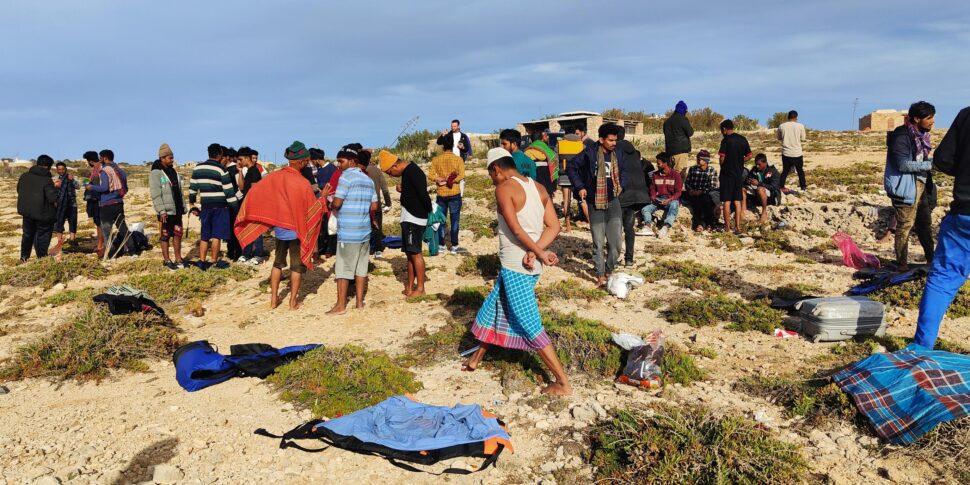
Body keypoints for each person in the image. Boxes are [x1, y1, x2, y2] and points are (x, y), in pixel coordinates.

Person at [462, 148, 572, 396]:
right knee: (497, 306)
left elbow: (517, 230)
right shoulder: (539, 187)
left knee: (529, 323)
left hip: (516, 265)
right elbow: (554, 226)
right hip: (530, 263)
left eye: (491, 175)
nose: (492, 180)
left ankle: (562, 382)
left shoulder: (503, 189)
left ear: (496, 169)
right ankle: (475, 359)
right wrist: (537, 251)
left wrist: (538, 252)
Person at [235, 141, 324, 310]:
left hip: (280, 230)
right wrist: (323, 198)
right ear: (302, 161)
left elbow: (255, 191)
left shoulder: (274, 177)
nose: (307, 163)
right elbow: (312, 210)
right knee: (297, 267)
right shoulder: (302, 183)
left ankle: (274, 299)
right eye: (306, 160)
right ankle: (292, 302)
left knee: (278, 264)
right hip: (297, 231)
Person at [913, 106, 970, 349]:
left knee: (943, 278)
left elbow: (943, 159)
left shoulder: (967, 115)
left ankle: (922, 348)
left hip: (964, 212)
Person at [568, 122, 626, 287]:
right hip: (595, 202)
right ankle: (600, 275)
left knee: (616, 244)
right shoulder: (590, 152)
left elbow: (625, 171)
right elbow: (572, 167)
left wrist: (623, 186)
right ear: (601, 140)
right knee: (598, 242)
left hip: (614, 202)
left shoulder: (618, 153)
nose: (614, 143)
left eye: (615, 140)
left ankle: (609, 269)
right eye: (611, 140)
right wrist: (580, 186)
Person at [326, 145, 379, 315]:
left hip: (348, 231)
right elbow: (375, 205)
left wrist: (330, 201)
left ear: (351, 161)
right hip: (364, 230)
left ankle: (340, 305)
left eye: (341, 161)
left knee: (342, 270)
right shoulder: (368, 180)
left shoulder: (345, 178)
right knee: (361, 269)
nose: (338, 164)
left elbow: (337, 203)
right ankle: (359, 303)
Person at [885, 101, 936, 272]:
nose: (933, 121)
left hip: (920, 185)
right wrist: (930, 165)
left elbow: (919, 160)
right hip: (906, 187)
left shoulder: (920, 136)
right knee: (904, 226)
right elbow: (903, 165)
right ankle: (902, 265)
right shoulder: (901, 136)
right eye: (929, 118)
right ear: (916, 119)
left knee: (924, 224)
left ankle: (931, 260)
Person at [380, 149, 433, 297]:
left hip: (414, 219)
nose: (391, 176)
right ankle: (409, 287)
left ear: (395, 166)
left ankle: (420, 288)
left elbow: (423, 195)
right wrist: (403, 190)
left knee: (415, 253)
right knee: (409, 254)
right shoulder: (408, 173)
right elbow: (414, 192)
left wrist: (428, 210)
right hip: (409, 218)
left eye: (390, 173)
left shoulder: (414, 172)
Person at [189, 143, 239, 268]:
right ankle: (213, 260)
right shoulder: (222, 170)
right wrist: (237, 209)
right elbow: (229, 193)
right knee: (217, 235)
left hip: (205, 206)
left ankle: (201, 260)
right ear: (220, 154)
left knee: (205, 235)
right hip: (220, 207)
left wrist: (192, 203)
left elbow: (193, 188)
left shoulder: (198, 168)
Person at [88, 149, 132, 258]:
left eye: (100, 157)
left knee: (107, 231)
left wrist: (91, 187)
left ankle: (109, 254)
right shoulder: (120, 171)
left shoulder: (105, 171)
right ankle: (133, 250)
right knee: (123, 228)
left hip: (107, 204)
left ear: (105, 158)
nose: (99, 160)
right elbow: (125, 187)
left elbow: (104, 187)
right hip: (119, 202)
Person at [149, 143, 186, 270]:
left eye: (172, 157)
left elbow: (179, 191)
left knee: (177, 234)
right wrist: (161, 210)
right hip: (165, 211)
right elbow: (155, 193)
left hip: (177, 210)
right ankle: (166, 259)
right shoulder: (156, 173)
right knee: (165, 235)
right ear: (162, 158)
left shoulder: (174, 172)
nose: (172, 160)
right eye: (170, 158)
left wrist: (183, 207)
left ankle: (178, 258)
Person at [17, 155, 60, 262]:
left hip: (27, 212)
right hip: (43, 213)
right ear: (48, 167)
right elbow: (53, 198)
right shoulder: (46, 180)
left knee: (27, 235)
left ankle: (24, 258)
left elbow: (19, 190)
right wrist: (56, 188)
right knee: (42, 237)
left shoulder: (24, 176)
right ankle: (41, 259)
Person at [616, 127, 649, 265]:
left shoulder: (615, 151)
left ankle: (614, 259)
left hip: (623, 192)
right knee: (629, 227)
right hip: (637, 194)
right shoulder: (634, 152)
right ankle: (629, 259)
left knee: (615, 227)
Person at [428, 136, 466, 254]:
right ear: (453, 145)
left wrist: (438, 179)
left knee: (441, 220)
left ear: (443, 146)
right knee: (455, 220)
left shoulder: (436, 160)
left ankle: (441, 245)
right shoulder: (458, 159)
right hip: (454, 192)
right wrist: (452, 181)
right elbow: (461, 175)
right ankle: (454, 246)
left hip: (441, 193)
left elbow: (430, 175)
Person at [718, 119, 753, 234]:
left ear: (724, 129)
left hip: (726, 174)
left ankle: (727, 228)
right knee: (737, 201)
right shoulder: (742, 139)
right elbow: (750, 155)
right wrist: (740, 161)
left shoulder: (725, 141)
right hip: (738, 174)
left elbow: (722, 158)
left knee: (727, 201)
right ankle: (737, 227)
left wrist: (722, 164)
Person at [638, 153, 683, 239]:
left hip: (671, 200)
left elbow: (678, 192)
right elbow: (653, 189)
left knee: (673, 206)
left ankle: (666, 227)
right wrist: (653, 196)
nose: (657, 165)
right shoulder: (655, 175)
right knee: (645, 209)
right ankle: (648, 226)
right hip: (659, 200)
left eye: (659, 163)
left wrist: (669, 199)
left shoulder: (676, 175)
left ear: (665, 163)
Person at [236, 146, 265, 265]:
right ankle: (246, 254)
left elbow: (255, 191)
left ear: (247, 158)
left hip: (253, 206)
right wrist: (239, 171)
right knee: (247, 230)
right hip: (247, 205)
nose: (239, 162)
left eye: (241, 159)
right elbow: (242, 187)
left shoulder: (254, 172)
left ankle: (258, 254)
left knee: (257, 231)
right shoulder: (248, 171)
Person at [362, 149, 392, 258]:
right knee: (377, 227)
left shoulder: (359, 171)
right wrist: (388, 203)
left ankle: (367, 249)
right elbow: (385, 189)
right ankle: (378, 250)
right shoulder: (377, 171)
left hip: (363, 205)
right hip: (376, 205)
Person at [683, 149, 720, 231]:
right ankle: (699, 223)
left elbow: (713, 185)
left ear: (705, 160)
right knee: (695, 202)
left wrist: (702, 191)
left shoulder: (712, 170)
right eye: (697, 158)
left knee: (706, 201)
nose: (697, 161)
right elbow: (687, 182)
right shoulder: (692, 169)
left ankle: (710, 223)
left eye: (699, 159)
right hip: (693, 192)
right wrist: (690, 190)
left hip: (705, 193)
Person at [744, 154, 782, 224]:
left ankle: (764, 212)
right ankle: (743, 210)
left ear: (765, 163)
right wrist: (749, 181)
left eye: (759, 164)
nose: (757, 166)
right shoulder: (754, 169)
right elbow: (748, 178)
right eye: (756, 164)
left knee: (760, 189)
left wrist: (759, 184)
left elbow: (774, 187)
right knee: (743, 189)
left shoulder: (773, 171)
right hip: (757, 193)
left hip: (771, 196)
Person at [81, 151, 105, 257]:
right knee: (98, 223)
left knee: (100, 223)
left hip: (99, 200)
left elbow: (101, 185)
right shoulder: (96, 169)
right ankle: (100, 244)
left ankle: (100, 245)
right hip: (95, 200)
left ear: (91, 161)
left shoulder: (100, 169)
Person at [52, 161, 79, 254]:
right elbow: (51, 191)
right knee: (59, 222)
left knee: (73, 221)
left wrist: (72, 180)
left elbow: (78, 186)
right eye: (59, 169)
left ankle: (72, 240)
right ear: (57, 170)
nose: (61, 171)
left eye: (63, 169)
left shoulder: (72, 177)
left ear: (65, 169)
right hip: (59, 204)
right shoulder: (54, 179)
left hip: (72, 203)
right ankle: (59, 241)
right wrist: (54, 185)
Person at [777, 110, 808, 191]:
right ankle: (803, 186)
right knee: (800, 170)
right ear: (796, 117)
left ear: (788, 117)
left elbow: (779, 138)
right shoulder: (800, 126)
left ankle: (781, 186)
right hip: (797, 152)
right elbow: (803, 138)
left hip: (786, 152)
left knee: (785, 171)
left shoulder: (782, 126)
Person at [525, 129, 559, 196]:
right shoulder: (548, 150)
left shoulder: (527, 152)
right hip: (547, 177)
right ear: (541, 139)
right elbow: (554, 162)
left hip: (535, 178)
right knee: (548, 196)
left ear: (531, 140)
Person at [663, 100, 694, 171]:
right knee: (679, 175)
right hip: (681, 152)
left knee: (671, 175)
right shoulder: (683, 119)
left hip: (669, 152)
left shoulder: (667, 122)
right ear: (684, 110)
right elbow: (690, 133)